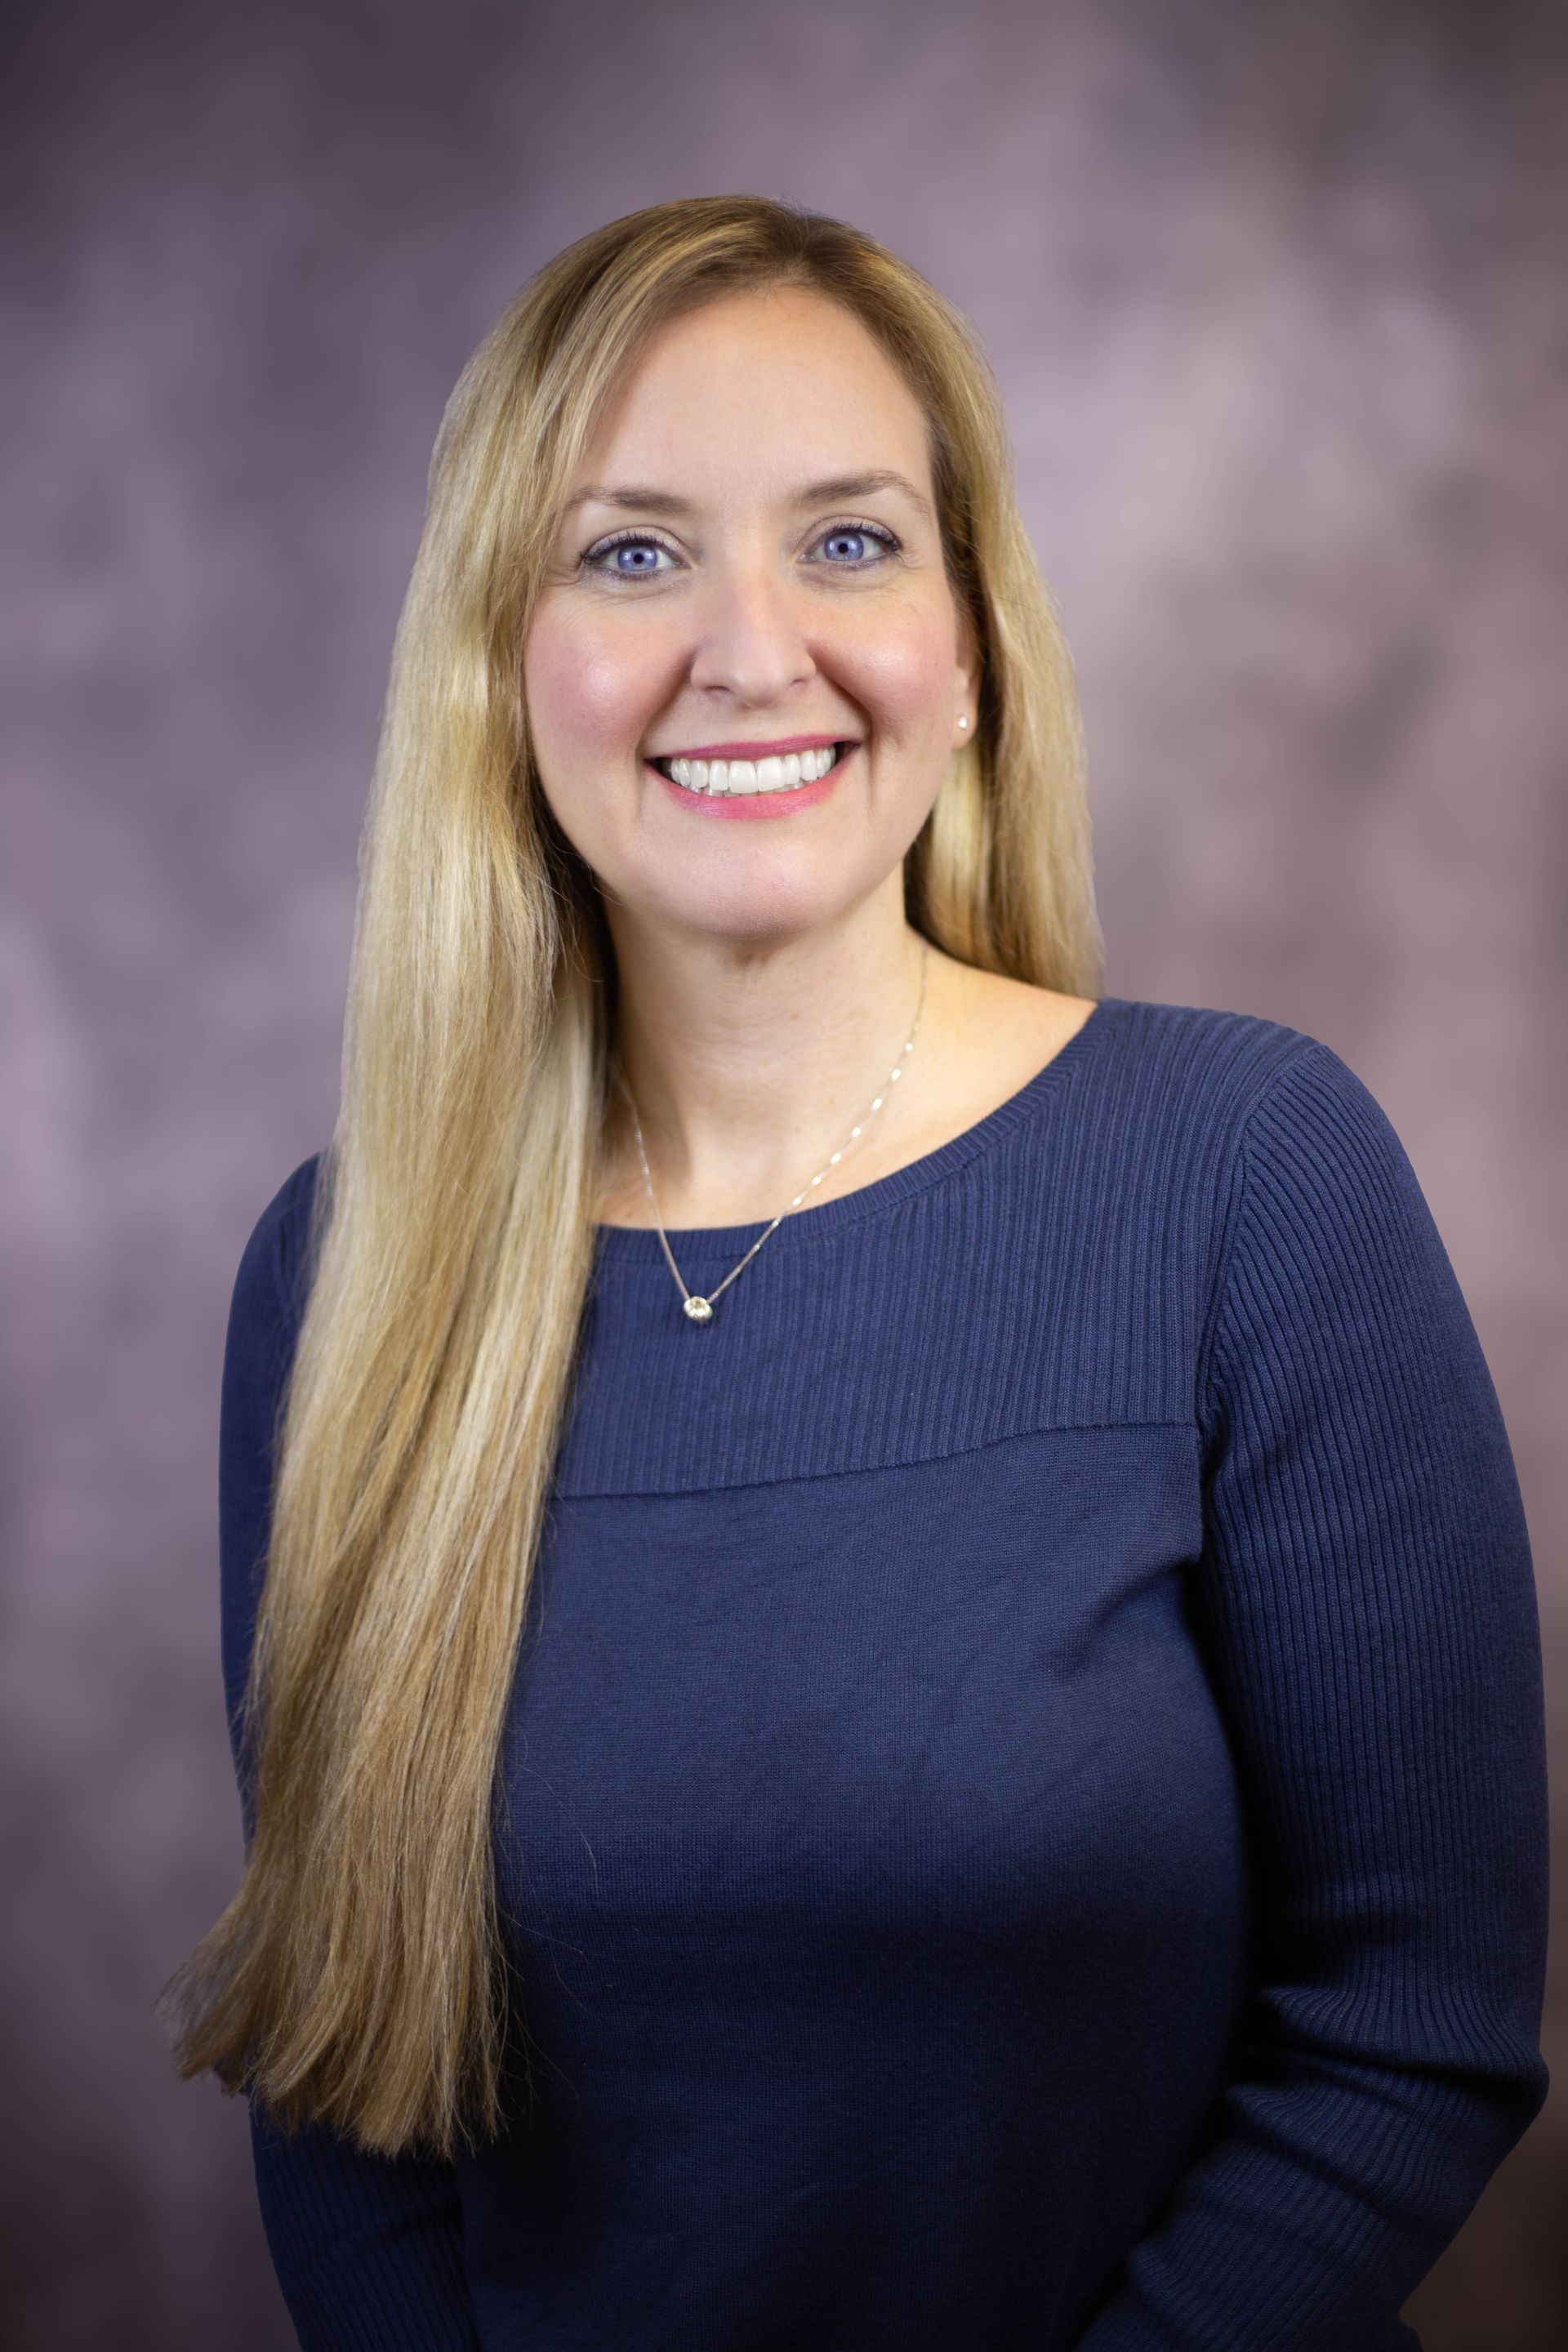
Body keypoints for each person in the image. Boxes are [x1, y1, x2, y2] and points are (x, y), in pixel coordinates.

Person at [162, 194, 1550, 2351]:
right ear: (497, 658)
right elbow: (344, 2104)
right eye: (631, 552)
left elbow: (1409, 2027)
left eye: (849, 540)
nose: (750, 645)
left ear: (975, 641)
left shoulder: (1246, 1176)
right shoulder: (343, 1281)